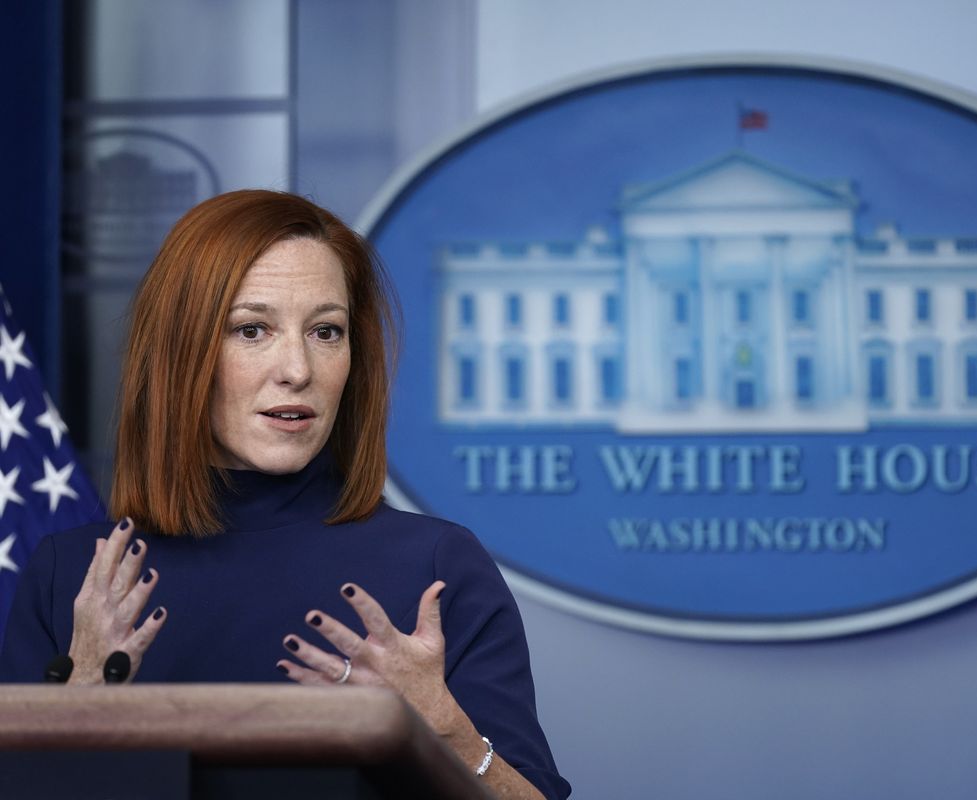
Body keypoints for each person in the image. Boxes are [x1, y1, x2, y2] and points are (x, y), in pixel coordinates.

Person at [0, 190, 570, 799]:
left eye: (326, 331)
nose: (298, 369)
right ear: (180, 350)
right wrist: (78, 705)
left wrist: (446, 729)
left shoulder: (436, 566)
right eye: (253, 329)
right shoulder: (72, 576)